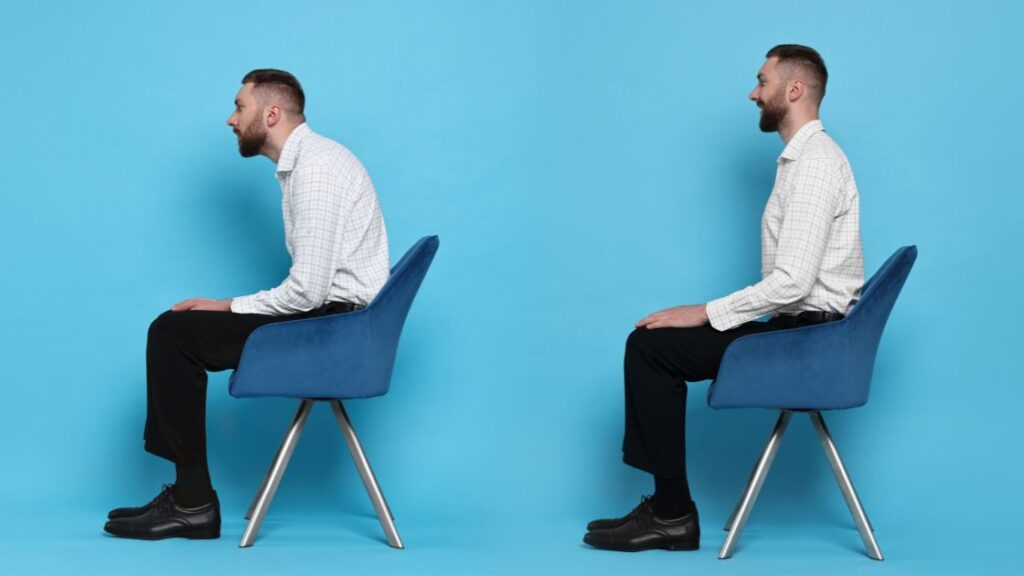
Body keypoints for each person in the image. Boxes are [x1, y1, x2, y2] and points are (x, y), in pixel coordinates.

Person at [583, 45, 863, 552]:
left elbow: (794, 282)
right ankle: (669, 510)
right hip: (804, 332)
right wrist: (710, 318)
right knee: (651, 341)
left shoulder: (815, 164)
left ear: (794, 90)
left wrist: (705, 313)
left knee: (650, 349)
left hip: (809, 341)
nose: (753, 93)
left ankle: (671, 514)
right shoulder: (803, 160)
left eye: (763, 81)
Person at [104, 69, 390, 540]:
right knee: (176, 327)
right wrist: (225, 307)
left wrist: (227, 306)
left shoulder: (316, 170)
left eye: (240, 106)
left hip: (337, 332)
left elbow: (307, 294)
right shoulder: (309, 164)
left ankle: (192, 503)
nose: (230, 119)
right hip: (339, 324)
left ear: (271, 114)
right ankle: (189, 497)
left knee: (172, 334)